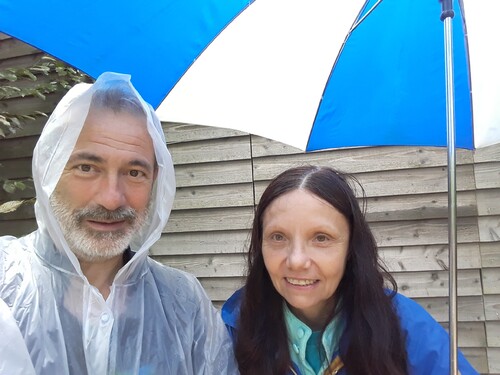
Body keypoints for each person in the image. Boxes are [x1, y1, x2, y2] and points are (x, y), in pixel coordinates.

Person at [0, 72, 238, 374]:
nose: (112, 199)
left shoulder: (183, 303)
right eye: (87, 167)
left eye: (135, 172)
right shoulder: (6, 285)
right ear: (49, 169)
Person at [222, 165, 478, 375]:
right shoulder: (233, 330)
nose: (297, 261)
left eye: (321, 238)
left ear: (351, 248)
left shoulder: (403, 326)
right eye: (278, 237)